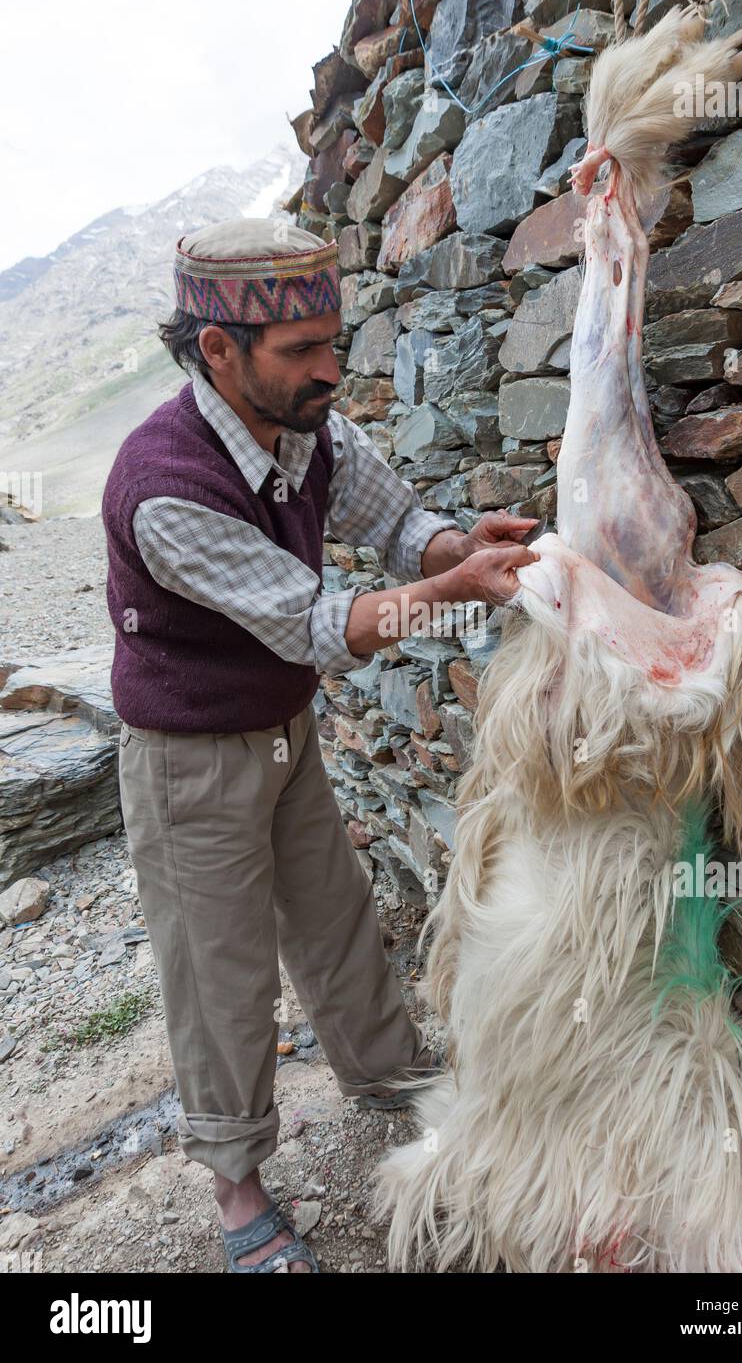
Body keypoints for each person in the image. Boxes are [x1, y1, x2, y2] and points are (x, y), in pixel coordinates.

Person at [101, 217, 539, 1272]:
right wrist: (444, 596)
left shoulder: (305, 426)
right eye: (303, 350)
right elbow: (311, 623)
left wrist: (456, 546)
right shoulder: (164, 486)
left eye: (332, 342)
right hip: (189, 757)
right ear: (218, 349)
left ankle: (389, 1075)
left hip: (281, 729)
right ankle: (239, 1184)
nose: (330, 370)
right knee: (221, 970)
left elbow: (397, 522)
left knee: (333, 914)